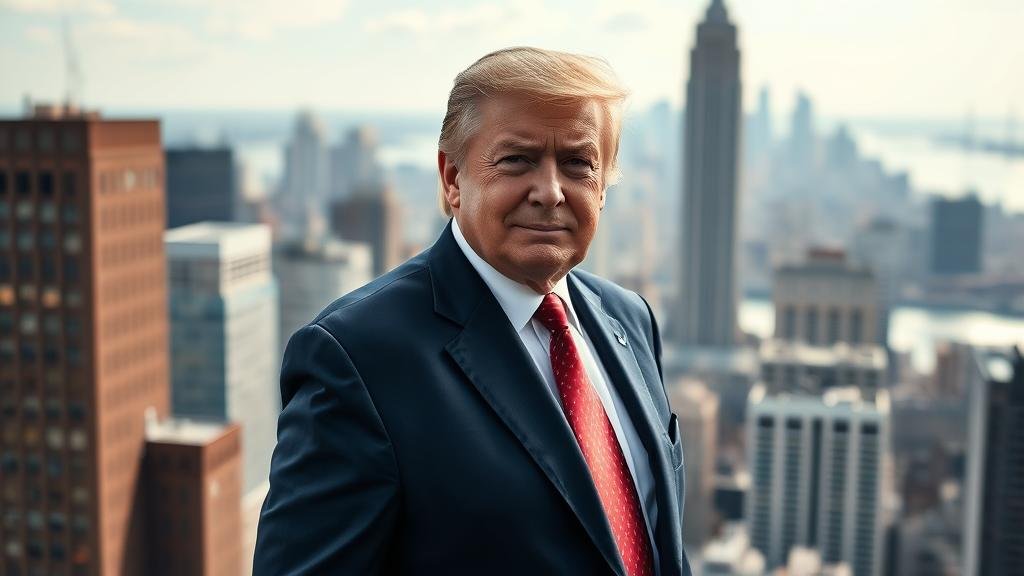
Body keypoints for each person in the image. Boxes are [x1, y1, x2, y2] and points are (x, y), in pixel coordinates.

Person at [253, 47, 691, 576]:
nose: (550, 192)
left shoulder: (629, 319)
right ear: (452, 179)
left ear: (603, 188)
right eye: (518, 160)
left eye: (578, 163)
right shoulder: (356, 359)